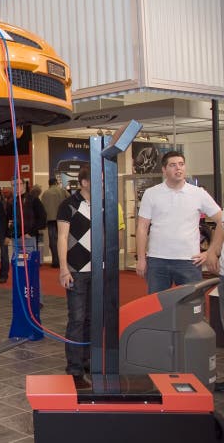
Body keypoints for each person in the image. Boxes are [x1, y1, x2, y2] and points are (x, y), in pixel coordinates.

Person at [58, 165, 124, 379]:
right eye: (99, 180)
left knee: (94, 318)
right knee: (76, 319)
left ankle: (88, 359)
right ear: (85, 182)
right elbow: (61, 238)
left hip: (100, 270)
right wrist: (63, 268)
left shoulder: (106, 205)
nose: (103, 185)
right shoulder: (68, 205)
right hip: (76, 270)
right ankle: (74, 365)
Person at [136, 151, 222, 294]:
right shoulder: (151, 194)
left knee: (192, 307)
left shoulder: (198, 193)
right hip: (157, 261)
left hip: (189, 261)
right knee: (158, 308)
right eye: (173, 165)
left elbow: (221, 220)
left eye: (181, 164)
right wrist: (141, 259)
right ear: (164, 170)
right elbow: (142, 228)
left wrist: (210, 252)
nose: (178, 168)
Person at [41, 177, 69, 268]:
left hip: (50, 220)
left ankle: (55, 261)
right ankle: (63, 261)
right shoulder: (62, 191)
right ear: (56, 183)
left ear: (49, 184)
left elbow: (42, 208)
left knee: (53, 241)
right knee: (63, 239)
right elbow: (69, 199)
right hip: (62, 219)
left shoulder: (45, 193)